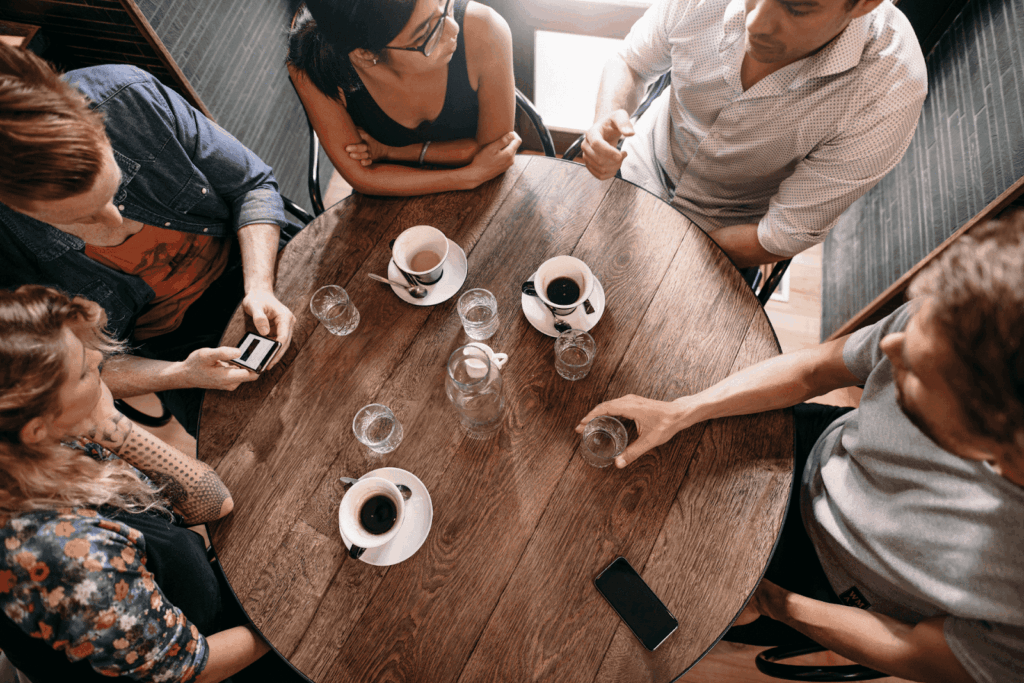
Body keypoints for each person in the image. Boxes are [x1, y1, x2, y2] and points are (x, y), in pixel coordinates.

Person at [577, 209, 1024, 682]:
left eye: (913, 369)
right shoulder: (957, 324)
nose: (889, 347)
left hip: (822, 582)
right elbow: (817, 370)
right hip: (819, 447)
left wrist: (775, 602)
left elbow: (921, 653)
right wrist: (684, 409)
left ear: (987, 440)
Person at [0, 44, 297, 436]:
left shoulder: (127, 96)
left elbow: (252, 186)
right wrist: (182, 373)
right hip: (177, 344)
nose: (115, 219)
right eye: (81, 217)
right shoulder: (7, 248)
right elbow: (74, 371)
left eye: (114, 190)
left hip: (253, 260)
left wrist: (259, 286)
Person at [0, 285, 273, 682]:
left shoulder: (45, 442)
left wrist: (108, 423)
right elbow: (189, 669)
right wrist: (275, 624)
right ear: (36, 428)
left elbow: (212, 502)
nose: (98, 359)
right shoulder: (70, 556)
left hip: (188, 606)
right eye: (82, 371)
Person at [580, 0, 928, 268]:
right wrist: (606, 119)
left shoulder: (891, 87)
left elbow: (777, 235)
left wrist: (671, 251)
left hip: (723, 233)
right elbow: (631, 63)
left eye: (796, 7)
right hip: (638, 163)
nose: (755, 23)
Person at [287, 0, 522, 197]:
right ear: (366, 55)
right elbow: (361, 177)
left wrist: (391, 153)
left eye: (443, 2)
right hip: (388, 202)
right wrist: (467, 176)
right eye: (426, 34)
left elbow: (495, 153)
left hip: (487, 191)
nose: (453, 29)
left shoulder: (485, 28)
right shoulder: (313, 61)